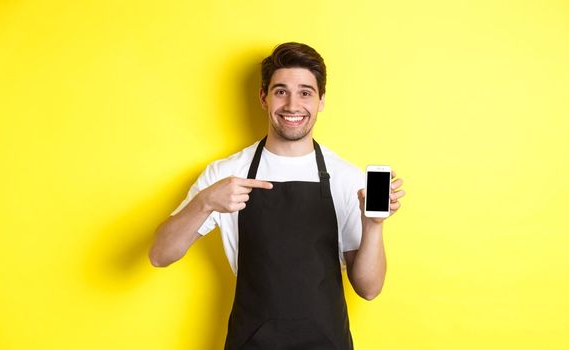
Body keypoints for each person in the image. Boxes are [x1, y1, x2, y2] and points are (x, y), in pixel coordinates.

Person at [148, 42, 405, 350]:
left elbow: (369, 289)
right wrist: (204, 203)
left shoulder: (348, 179)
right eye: (281, 91)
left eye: (305, 92)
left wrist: (374, 225)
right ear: (263, 97)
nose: (292, 105)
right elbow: (160, 255)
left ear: (321, 100)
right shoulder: (228, 173)